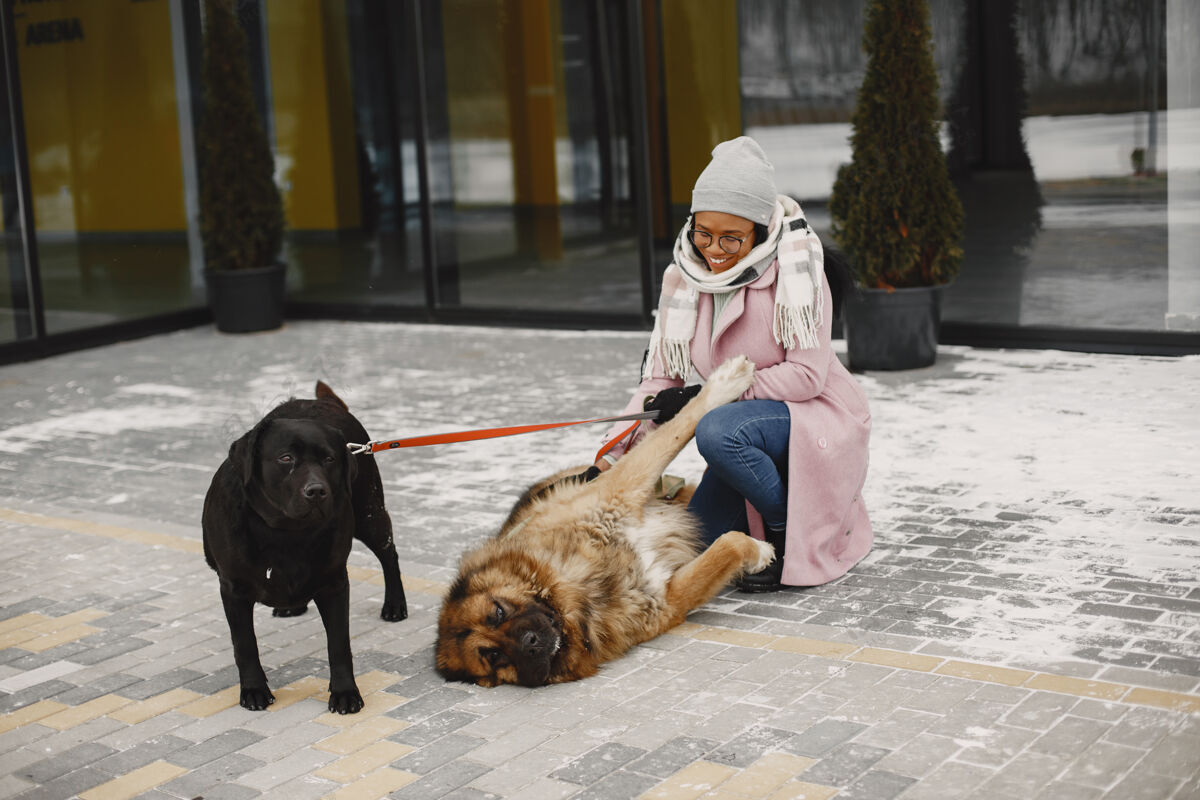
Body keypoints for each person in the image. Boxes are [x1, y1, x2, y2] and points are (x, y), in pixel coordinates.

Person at [596, 136, 872, 592]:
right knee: (689, 551)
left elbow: (806, 377)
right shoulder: (683, 279)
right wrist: (613, 454)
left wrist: (710, 396)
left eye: (731, 237)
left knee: (717, 429)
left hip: (815, 415)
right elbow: (661, 377)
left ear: (761, 229)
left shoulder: (798, 273)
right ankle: (767, 491)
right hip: (745, 419)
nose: (714, 248)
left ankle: (787, 532)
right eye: (703, 233)